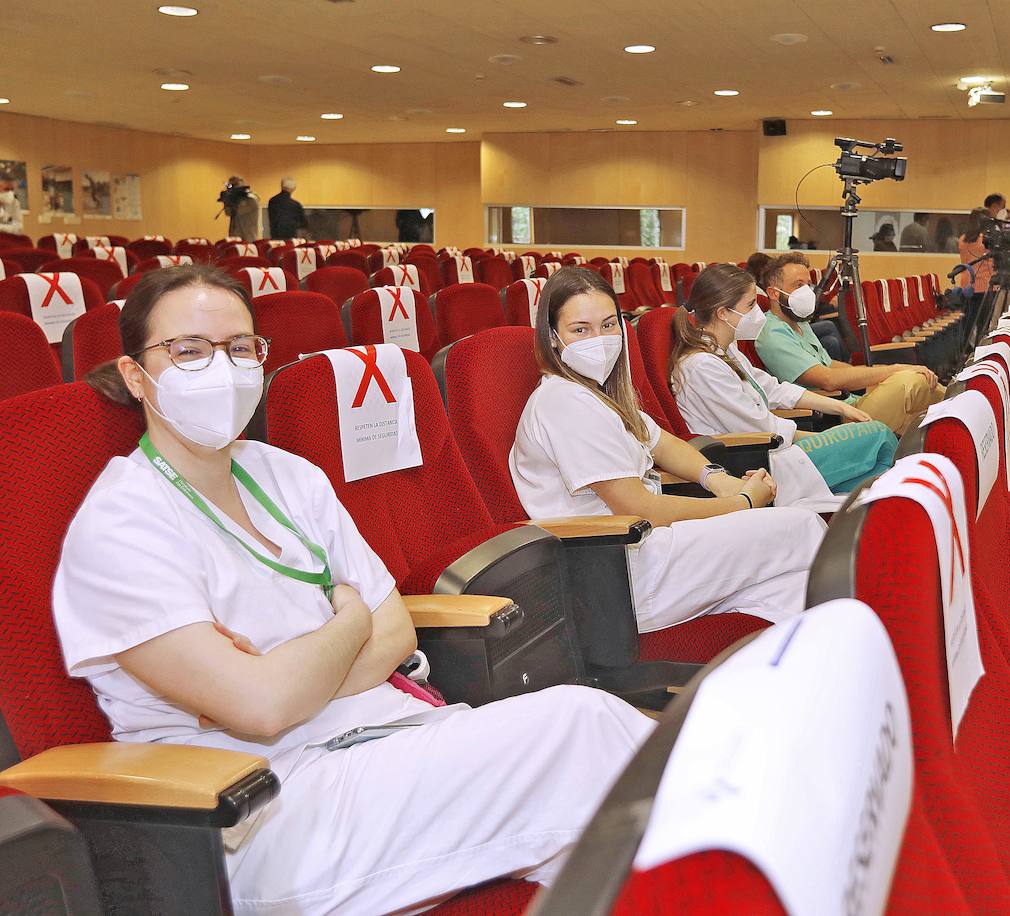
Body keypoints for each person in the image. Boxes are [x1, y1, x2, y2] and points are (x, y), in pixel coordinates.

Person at [55, 264, 651, 915]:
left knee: (616, 839)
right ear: (136, 374)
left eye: (240, 347)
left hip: (385, 739)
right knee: (584, 731)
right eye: (189, 351)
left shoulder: (287, 475)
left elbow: (391, 630)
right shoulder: (120, 523)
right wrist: (344, 619)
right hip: (268, 810)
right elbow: (264, 711)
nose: (222, 370)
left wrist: (289, 675)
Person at [511, 266, 827, 633]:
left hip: (647, 553)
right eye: (581, 329)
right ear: (552, 338)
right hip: (616, 571)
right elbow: (638, 508)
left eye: (609, 325)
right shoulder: (565, 402)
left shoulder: (600, 393)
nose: (599, 339)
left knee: (794, 588)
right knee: (801, 527)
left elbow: (662, 442)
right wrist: (742, 503)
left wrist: (717, 479)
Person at [670, 264, 897, 505]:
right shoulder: (702, 366)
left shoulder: (726, 350)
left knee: (871, 464)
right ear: (723, 313)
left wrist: (840, 408)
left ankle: (872, 508)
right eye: (750, 305)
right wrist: (826, 436)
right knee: (878, 435)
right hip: (755, 464)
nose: (758, 313)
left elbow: (774, 389)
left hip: (774, 451)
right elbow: (757, 427)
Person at [754, 253, 942, 436]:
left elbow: (831, 365)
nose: (807, 291)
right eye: (798, 285)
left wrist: (877, 373)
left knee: (922, 397)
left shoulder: (799, 323)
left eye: (808, 284)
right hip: (835, 417)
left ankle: (956, 406)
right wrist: (895, 369)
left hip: (851, 402)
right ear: (773, 293)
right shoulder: (772, 333)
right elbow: (828, 379)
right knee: (910, 381)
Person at [958, 209, 993, 297]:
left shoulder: (962, 239)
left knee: (969, 310)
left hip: (966, 284)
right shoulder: (986, 239)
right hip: (985, 284)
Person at [217, 176, 260, 241]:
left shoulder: (251, 199)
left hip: (248, 238)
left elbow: (237, 211)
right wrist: (226, 200)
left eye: (235, 185)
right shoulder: (235, 199)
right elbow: (228, 212)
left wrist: (230, 199)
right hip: (234, 237)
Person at [267, 177, 307, 241]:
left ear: (281, 186)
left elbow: (272, 218)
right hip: (291, 238)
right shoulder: (296, 205)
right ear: (293, 189)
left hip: (276, 237)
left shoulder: (272, 201)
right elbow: (303, 223)